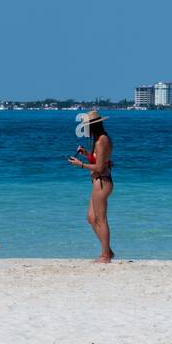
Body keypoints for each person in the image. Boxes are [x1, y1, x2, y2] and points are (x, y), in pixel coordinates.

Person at [68, 108, 115, 262]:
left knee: (101, 219)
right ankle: (107, 250)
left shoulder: (101, 141)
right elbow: (99, 160)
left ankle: (105, 255)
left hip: (102, 183)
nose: (84, 130)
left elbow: (100, 167)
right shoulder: (99, 139)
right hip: (98, 182)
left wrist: (80, 164)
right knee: (91, 218)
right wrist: (86, 154)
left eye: (85, 127)